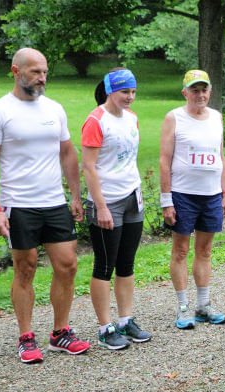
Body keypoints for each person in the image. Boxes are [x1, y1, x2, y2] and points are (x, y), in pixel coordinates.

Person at [0, 47, 90, 363]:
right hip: (18, 205)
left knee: (68, 266)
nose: (41, 78)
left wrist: (76, 195)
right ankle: (26, 337)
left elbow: (67, 152)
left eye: (44, 72)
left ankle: (60, 333)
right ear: (16, 71)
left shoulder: (54, 109)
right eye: (35, 72)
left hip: (54, 202)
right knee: (25, 268)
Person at [81, 68, 151, 350]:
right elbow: (88, 166)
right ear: (110, 91)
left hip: (133, 198)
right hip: (107, 202)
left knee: (126, 263)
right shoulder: (96, 121)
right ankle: (105, 327)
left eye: (133, 92)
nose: (130, 97)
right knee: (104, 266)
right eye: (125, 92)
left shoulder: (132, 118)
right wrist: (101, 207)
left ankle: (125, 320)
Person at [159, 70, 225, 329]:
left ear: (210, 91)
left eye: (204, 90)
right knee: (180, 251)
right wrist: (166, 200)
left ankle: (203, 305)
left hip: (210, 195)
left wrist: (224, 192)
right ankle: (183, 308)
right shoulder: (174, 118)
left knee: (205, 250)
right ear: (185, 93)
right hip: (182, 195)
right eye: (194, 90)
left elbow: (220, 156)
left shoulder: (216, 117)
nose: (200, 95)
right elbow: (164, 160)